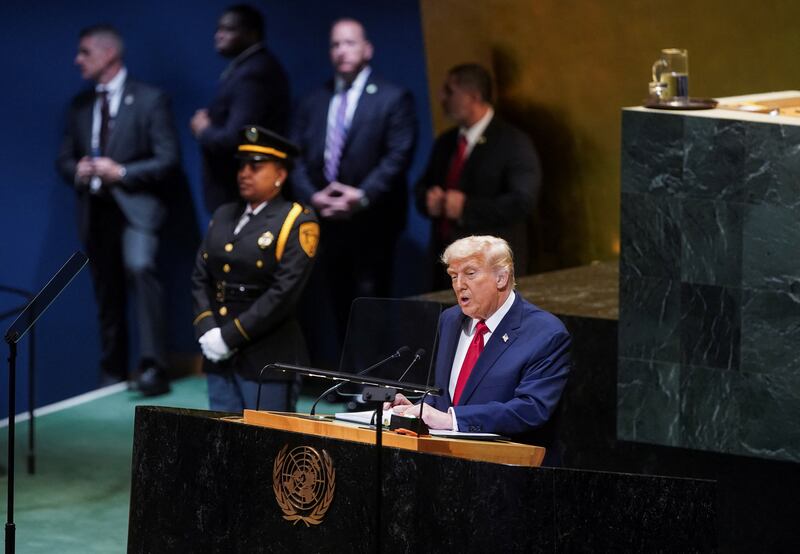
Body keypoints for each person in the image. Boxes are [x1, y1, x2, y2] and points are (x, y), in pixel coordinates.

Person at [56, 24, 179, 395]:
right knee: (106, 292)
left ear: (108, 54)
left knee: (140, 267)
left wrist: (121, 171)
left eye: (84, 52)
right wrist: (77, 170)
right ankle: (111, 374)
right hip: (95, 211)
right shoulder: (79, 106)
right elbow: (64, 159)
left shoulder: (150, 99)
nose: (77, 60)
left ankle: (153, 367)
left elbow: (168, 159)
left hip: (136, 209)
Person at [289, 17, 416, 367]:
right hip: (326, 220)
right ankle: (348, 377)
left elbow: (398, 155)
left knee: (371, 302)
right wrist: (312, 196)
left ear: (367, 49)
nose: (342, 51)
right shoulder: (315, 99)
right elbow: (295, 156)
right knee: (334, 301)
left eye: (350, 43)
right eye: (335, 44)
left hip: (372, 221)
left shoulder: (392, 97)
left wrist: (360, 196)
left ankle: (374, 381)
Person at [388, 235, 570, 462]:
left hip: (509, 473)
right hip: (445, 467)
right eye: (453, 276)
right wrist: (416, 409)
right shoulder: (450, 320)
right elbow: (450, 398)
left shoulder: (545, 333)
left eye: (470, 274)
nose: (459, 285)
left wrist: (451, 420)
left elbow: (531, 408)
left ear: (501, 278)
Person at [191, 126, 319, 412]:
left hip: (268, 356)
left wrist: (229, 337)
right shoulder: (224, 214)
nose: (244, 173)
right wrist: (208, 329)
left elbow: (283, 294)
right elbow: (201, 277)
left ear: (280, 174)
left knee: (267, 449)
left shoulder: (296, 220)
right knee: (220, 442)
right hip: (218, 354)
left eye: (256, 166)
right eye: (242, 166)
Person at [415, 64, 541, 290]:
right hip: (447, 271)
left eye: (449, 91)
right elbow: (422, 186)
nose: (442, 97)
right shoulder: (446, 142)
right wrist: (427, 199)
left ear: (473, 96)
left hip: (490, 275)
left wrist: (467, 208)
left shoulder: (513, 142)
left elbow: (522, 201)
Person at [191, 4, 290, 212]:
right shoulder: (247, 68)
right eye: (219, 29)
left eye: (229, 30)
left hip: (244, 194)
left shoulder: (254, 74)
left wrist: (204, 130)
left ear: (251, 33)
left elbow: (237, 138)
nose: (219, 36)